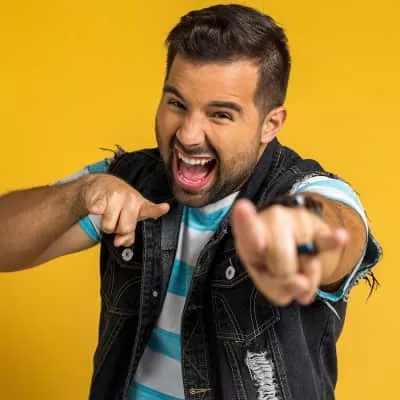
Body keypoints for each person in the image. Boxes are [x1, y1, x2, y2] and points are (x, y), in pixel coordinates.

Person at [0, 4, 381, 400]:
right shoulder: (129, 180)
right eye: (177, 104)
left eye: (220, 115)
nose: (188, 135)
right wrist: (79, 195)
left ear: (270, 124)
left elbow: (337, 229)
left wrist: (299, 236)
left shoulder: (303, 189)